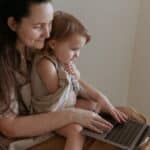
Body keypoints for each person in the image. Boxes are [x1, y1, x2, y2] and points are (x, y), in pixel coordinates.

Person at [0, 0, 148, 149]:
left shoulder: (37, 45)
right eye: (38, 26)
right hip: (29, 134)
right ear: (13, 24)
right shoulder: (6, 66)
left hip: (59, 113)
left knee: (131, 117)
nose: (47, 33)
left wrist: (99, 98)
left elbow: (68, 79)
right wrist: (74, 115)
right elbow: (10, 127)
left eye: (49, 23)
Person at [31, 11, 128, 150]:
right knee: (76, 131)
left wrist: (77, 80)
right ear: (53, 44)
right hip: (48, 113)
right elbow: (62, 97)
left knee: (94, 106)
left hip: (62, 107)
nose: (77, 55)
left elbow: (73, 94)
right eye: (74, 49)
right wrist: (73, 77)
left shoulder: (61, 60)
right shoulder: (45, 64)